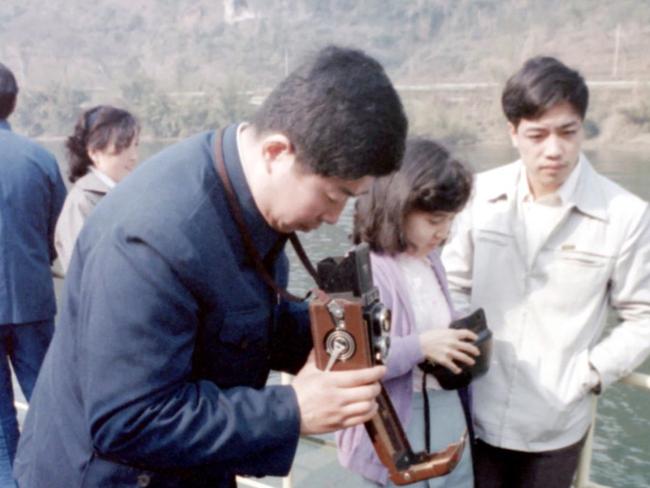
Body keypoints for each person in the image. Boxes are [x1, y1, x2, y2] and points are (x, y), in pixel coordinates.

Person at [13, 45, 408, 487]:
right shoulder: (154, 235)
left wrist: (329, 338)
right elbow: (129, 420)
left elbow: (239, 318)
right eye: (334, 195)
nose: (335, 217)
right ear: (277, 151)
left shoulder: (251, 196)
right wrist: (293, 409)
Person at [441, 56, 650, 488]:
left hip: (555, 423)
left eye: (568, 132)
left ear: (583, 129)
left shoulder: (626, 215)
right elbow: (451, 283)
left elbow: (644, 315)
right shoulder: (479, 195)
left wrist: (592, 372)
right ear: (513, 133)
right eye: (537, 134)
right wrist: (468, 349)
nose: (553, 149)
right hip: (472, 408)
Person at [337, 139, 478, 487]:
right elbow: (354, 361)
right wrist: (421, 346)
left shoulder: (429, 259)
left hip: (445, 412)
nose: (443, 232)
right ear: (398, 208)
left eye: (449, 220)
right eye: (434, 220)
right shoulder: (365, 268)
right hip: (396, 425)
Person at [0, 62, 66, 488]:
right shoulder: (38, 157)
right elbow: (54, 228)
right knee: (49, 400)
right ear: (14, 101)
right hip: (33, 301)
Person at [55, 105, 140, 272]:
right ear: (94, 152)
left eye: (135, 145)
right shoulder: (82, 202)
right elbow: (81, 272)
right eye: (122, 146)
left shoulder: (129, 194)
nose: (134, 156)